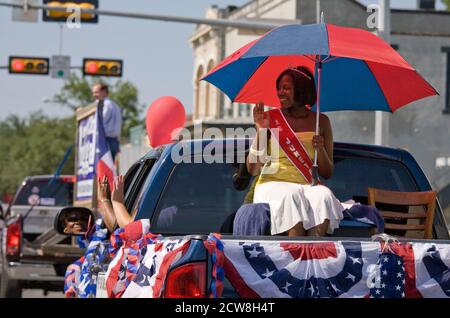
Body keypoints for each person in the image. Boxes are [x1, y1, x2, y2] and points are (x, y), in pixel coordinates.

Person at [247, 67, 344, 237]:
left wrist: (319, 149)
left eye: (286, 88)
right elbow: (253, 169)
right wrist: (261, 131)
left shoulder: (321, 121)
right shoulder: (269, 118)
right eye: (279, 88)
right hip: (273, 184)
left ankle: (314, 255)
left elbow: (327, 173)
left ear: (301, 91)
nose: (280, 93)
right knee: (291, 195)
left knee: (324, 195)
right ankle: (295, 255)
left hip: (307, 185)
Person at [92, 83, 123, 161]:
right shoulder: (114, 105)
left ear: (104, 91)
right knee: (108, 167)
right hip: (113, 140)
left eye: (96, 92)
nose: (94, 95)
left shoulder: (105, 105)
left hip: (105, 140)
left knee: (103, 168)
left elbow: (100, 121)